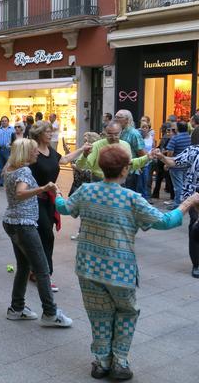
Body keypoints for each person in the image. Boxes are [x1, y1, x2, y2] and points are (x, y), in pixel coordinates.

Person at [56, 145, 199, 379]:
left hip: (88, 266)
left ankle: (101, 361)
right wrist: (188, 202)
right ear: (125, 170)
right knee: (126, 311)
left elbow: (64, 208)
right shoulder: (132, 198)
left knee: (98, 313)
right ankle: (120, 361)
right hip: (120, 270)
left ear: (101, 167)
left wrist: (57, 194)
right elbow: (166, 221)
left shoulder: (86, 191)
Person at [1, 138, 72, 328]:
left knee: (24, 266)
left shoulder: (10, 167)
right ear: (25, 152)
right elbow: (20, 193)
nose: (38, 153)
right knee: (42, 269)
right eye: (34, 150)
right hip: (23, 224)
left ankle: (16, 308)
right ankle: (50, 313)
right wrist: (44, 188)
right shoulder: (24, 171)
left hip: (11, 221)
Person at [28, 121, 90, 291]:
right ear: (39, 133)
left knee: (42, 236)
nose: (51, 134)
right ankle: (45, 274)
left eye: (51, 131)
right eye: (47, 132)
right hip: (35, 200)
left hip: (50, 200)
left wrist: (81, 149)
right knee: (47, 236)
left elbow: (64, 159)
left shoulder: (51, 151)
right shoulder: (32, 151)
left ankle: (33, 269)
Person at [152, 146, 199, 278]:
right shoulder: (195, 150)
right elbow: (175, 162)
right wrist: (162, 157)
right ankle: (197, 264)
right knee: (195, 226)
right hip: (195, 196)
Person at [76, 122, 150, 182]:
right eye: (110, 134)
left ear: (121, 133)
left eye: (116, 134)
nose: (113, 137)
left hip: (120, 181)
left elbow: (129, 163)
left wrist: (147, 157)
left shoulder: (125, 145)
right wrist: (84, 155)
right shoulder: (96, 145)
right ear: (105, 133)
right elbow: (81, 165)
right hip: (99, 180)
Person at [114, 110, 146, 190]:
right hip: (118, 170)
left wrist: (139, 167)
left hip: (130, 172)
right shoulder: (118, 132)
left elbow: (142, 153)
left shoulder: (134, 134)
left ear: (127, 120)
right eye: (115, 117)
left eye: (119, 117)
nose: (116, 119)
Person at [166, 120, 191, 208]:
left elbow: (170, 153)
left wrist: (167, 164)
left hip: (176, 165)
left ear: (177, 128)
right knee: (185, 185)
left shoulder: (175, 138)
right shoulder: (190, 137)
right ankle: (185, 203)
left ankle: (177, 204)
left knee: (178, 186)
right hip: (187, 165)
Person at [137, 119, 155, 200]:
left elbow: (153, 148)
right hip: (140, 162)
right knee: (140, 181)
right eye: (142, 127)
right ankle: (142, 197)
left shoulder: (151, 138)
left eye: (146, 127)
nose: (144, 129)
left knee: (147, 180)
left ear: (149, 128)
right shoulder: (138, 138)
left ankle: (146, 196)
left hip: (148, 162)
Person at [0, 116, 14, 186]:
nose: (4, 122)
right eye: (2, 121)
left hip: (9, 150)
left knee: (9, 166)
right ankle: (0, 182)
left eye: (5, 121)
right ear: (1, 122)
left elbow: (15, 140)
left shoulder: (13, 130)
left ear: (8, 122)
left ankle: (9, 182)